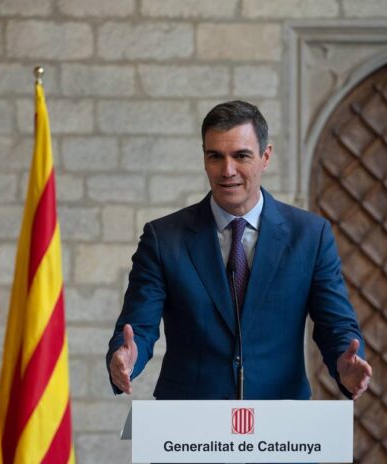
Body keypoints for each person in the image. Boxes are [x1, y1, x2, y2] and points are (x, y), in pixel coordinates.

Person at [106, 100, 371, 401]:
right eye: (215, 156)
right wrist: (126, 358)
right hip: (189, 418)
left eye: (241, 156)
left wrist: (344, 362)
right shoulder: (163, 238)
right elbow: (138, 327)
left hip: (280, 416)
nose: (227, 170)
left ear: (265, 157)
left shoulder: (310, 235)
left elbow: (335, 324)